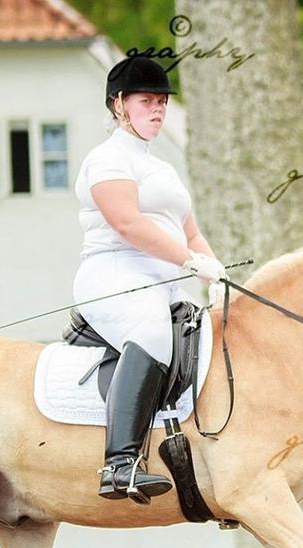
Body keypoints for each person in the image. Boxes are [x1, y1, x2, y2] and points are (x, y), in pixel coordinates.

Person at [73, 56, 228, 504]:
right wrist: (191, 262)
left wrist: (216, 276)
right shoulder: (107, 160)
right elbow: (128, 225)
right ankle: (119, 465)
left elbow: (191, 232)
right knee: (153, 331)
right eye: (147, 101)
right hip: (113, 276)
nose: (158, 110)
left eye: (162, 102)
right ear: (119, 104)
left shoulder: (162, 168)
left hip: (163, 284)